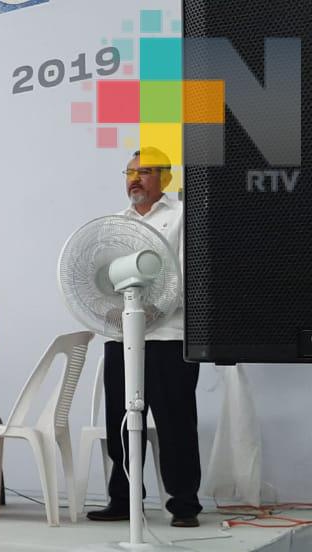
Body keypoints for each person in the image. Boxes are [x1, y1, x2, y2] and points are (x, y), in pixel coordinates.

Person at [88, 148, 202, 527]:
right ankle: (122, 498)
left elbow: (191, 272)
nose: (134, 179)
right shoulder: (113, 224)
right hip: (123, 337)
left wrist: (159, 307)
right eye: (130, 172)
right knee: (119, 422)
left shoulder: (183, 215)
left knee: (175, 422)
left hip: (169, 336)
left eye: (145, 172)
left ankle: (184, 505)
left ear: (165, 179)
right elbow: (100, 277)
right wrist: (107, 307)